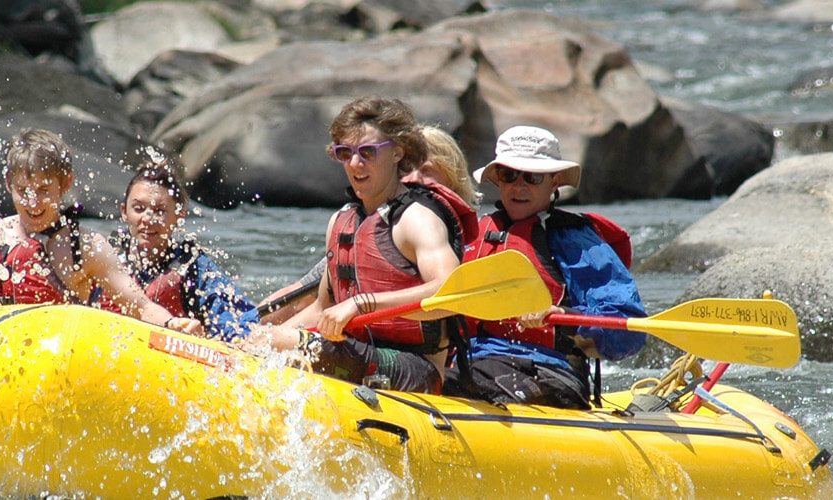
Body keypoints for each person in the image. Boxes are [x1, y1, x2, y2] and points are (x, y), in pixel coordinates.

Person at [251, 97, 478, 393]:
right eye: (345, 153)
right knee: (259, 338)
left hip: (416, 369)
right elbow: (322, 307)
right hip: (356, 352)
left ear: (398, 152)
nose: (355, 163)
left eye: (368, 152)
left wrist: (361, 304)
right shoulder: (341, 220)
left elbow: (452, 291)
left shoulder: (416, 218)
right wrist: (263, 336)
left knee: (276, 342)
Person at [0, 129, 203, 336]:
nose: (32, 203)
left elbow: (139, 305)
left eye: (44, 190)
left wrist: (173, 323)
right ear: (8, 185)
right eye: (22, 190)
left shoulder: (84, 248)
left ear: (65, 183)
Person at [446, 125, 645, 409]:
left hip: (548, 372)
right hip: (470, 363)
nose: (519, 186)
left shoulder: (577, 243)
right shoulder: (473, 234)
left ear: (554, 182)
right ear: (497, 180)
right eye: (509, 175)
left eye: (533, 177)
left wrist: (563, 316)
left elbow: (630, 333)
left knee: (471, 380)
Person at [256, 124, 477, 324]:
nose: (413, 178)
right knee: (301, 293)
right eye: (406, 170)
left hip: (410, 355)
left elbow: (449, 292)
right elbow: (312, 302)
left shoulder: (441, 232)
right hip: (361, 340)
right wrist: (258, 337)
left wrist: (363, 303)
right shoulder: (370, 224)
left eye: (427, 171)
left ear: (453, 179)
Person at [110, 164, 260, 341]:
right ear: (124, 212)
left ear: (179, 214)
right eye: (138, 209)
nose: (148, 219)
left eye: (160, 211)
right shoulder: (104, 254)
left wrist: (215, 336)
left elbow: (232, 321)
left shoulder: (193, 266)